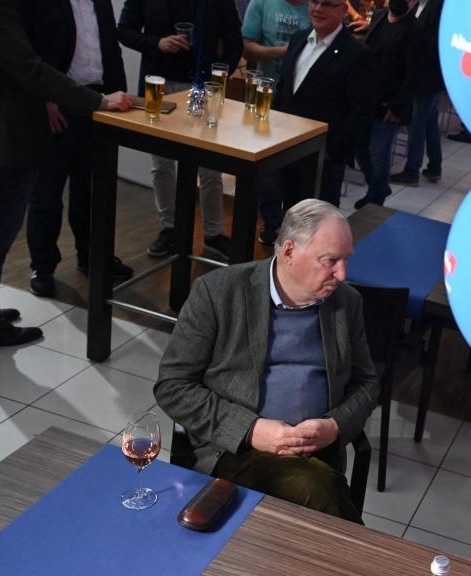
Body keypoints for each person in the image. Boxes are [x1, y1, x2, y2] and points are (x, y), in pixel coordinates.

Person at [155, 199, 379, 521]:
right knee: (319, 493)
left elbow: (367, 383)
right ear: (289, 251)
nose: (342, 274)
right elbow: (172, 387)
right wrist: (251, 429)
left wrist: (334, 426)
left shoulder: (347, 303)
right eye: (330, 261)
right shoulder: (218, 293)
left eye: (346, 260)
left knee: (315, 489)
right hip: (238, 449)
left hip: (317, 451)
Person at [0, 0, 131, 347]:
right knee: (5, 227)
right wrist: (97, 102)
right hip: (11, 133)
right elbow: (28, 66)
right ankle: (39, 270)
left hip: (22, 127)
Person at [117, 0, 243, 260]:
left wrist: (218, 81)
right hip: (158, 85)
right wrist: (158, 43)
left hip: (201, 86)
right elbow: (124, 30)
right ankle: (169, 229)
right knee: (161, 163)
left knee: (210, 165)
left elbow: (234, 42)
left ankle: (213, 234)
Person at [256, 0, 374, 243]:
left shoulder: (357, 54)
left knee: (314, 236)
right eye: (315, 2)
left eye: (328, 4)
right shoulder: (298, 39)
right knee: (287, 227)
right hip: (285, 150)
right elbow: (284, 89)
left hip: (322, 160)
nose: (318, 9)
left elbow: (361, 113)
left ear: (344, 10)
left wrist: (333, 153)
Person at [353, 0, 419, 208]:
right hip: (366, 98)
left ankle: (376, 198)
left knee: (378, 153)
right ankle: (379, 186)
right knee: (359, 148)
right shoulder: (380, 16)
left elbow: (413, 74)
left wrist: (398, 106)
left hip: (390, 105)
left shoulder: (416, 30)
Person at [390, 0, 443, 186]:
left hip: (427, 76)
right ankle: (435, 167)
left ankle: (412, 171)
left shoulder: (438, 6)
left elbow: (435, 42)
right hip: (423, 75)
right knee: (429, 122)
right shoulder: (415, 5)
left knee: (417, 123)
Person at [241, 0, 312, 82]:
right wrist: (282, 51)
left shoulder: (317, 6)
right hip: (266, 87)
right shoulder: (261, 2)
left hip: (303, 86)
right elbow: (246, 49)